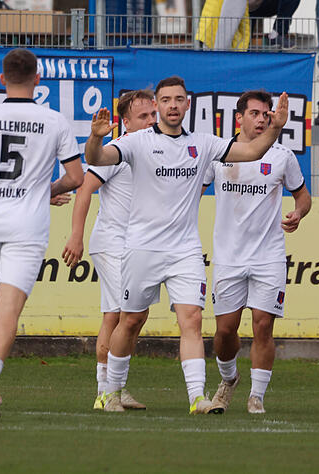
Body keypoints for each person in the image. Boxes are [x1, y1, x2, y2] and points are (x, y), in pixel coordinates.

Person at [84, 76, 289, 414]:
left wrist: (275, 128)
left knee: (191, 319)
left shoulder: (205, 144)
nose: (173, 105)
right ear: (156, 106)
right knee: (131, 321)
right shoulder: (137, 142)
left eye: (179, 99)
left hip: (185, 251)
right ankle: (111, 391)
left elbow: (252, 150)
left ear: (187, 104)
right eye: (166, 100)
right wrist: (95, 137)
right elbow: (99, 158)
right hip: (142, 248)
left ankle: (197, 397)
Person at [0, 48, 84, 422]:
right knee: (10, 307)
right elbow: (76, 178)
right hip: (27, 225)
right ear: (39, 79)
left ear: (3, 79)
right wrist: (47, 189)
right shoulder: (55, 121)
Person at [201, 90, 311, 415]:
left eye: (266, 114)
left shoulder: (282, 156)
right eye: (255, 114)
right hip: (228, 257)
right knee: (224, 332)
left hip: (269, 256)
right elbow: (194, 188)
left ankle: (257, 397)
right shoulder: (220, 154)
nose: (262, 119)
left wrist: (298, 213)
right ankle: (229, 378)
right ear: (239, 118)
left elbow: (303, 196)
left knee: (263, 325)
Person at [61, 89, 157, 411]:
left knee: (130, 318)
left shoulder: (157, 150)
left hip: (138, 247)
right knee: (121, 315)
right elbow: (85, 190)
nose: (150, 121)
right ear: (125, 122)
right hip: (112, 243)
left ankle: (116, 387)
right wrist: (76, 236)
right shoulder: (120, 149)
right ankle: (105, 391)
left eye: (152, 115)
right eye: (143, 116)